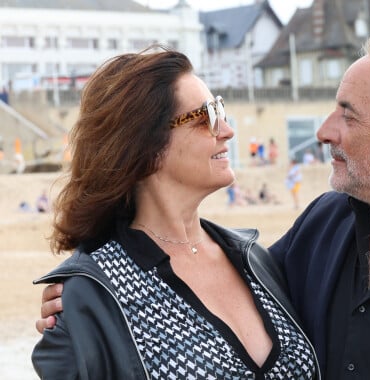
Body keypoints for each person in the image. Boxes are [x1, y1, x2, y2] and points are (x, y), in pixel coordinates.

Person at [37, 27, 370, 379]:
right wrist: (85, 299)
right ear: (145, 145)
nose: (324, 131)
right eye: (206, 114)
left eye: (349, 115)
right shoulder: (320, 226)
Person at [31, 47, 318, 379]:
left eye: (220, 108)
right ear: (147, 147)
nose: (226, 129)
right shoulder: (94, 294)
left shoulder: (254, 259)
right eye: (205, 116)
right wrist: (84, 307)